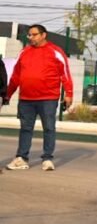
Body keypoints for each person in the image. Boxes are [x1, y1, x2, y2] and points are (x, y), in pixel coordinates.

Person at [5, 24, 73, 172]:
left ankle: (47, 159)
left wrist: (69, 94)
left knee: (48, 128)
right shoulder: (24, 52)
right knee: (25, 128)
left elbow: (65, 74)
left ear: (43, 35)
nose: (31, 37)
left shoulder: (56, 52)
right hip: (26, 99)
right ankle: (21, 158)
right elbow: (16, 76)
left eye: (34, 34)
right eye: (29, 35)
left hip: (48, 98)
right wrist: (8, 94)